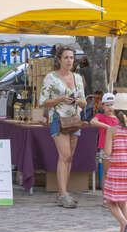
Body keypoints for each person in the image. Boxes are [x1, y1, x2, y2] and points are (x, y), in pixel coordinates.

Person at [39, 45, 86, 209]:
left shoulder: (78, 78)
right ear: (59, 60)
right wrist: (60, 99)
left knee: (70, 157)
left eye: (71, 57)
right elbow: (43, 101)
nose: (69, 60)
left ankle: (63, 193)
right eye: (66, 57)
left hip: (74, 119)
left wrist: (79, 101)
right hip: (58, 119)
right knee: (64, 155)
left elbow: (84, 101)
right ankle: (63, 194)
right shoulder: (50, 78)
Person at [100, 93, 127, 232]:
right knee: (123, 202)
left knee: (110, 202)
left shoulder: (112, 130)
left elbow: (108, 152)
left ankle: (124, 223)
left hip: (116, 170)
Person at [91, 93, 118, 193]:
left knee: (117, 173)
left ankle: (115, 194)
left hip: (117, 149)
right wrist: (107, 127)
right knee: (107, 173)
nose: (110, 107)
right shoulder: (100, 116)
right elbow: (93, 122)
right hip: (105, 148)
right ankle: (106, 196)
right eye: (107, 105)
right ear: (103, 105)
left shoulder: (118, 118)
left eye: (112, 104)